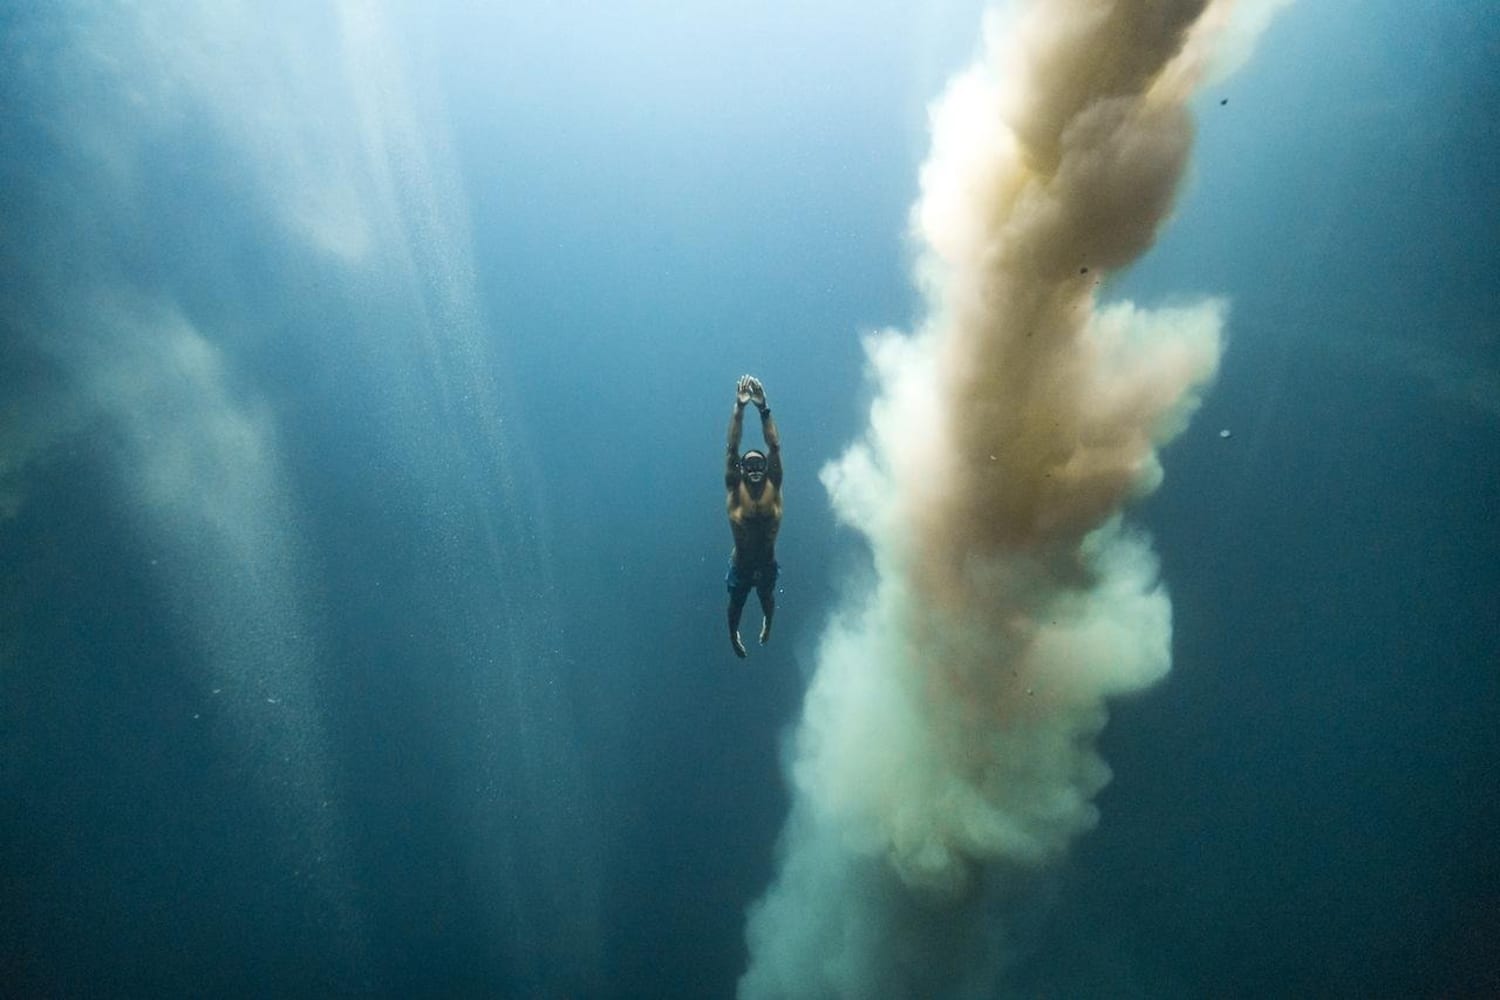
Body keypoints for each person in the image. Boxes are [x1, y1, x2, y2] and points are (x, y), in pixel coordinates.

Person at [725, 374, 782, 658]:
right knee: (736, 601)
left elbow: (774, 447)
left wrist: (763, 408)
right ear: (741, 470)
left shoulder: (774, 486)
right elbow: (732, 449)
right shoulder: (735, 490)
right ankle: (734, 635)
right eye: (750, 464)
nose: (757, 466)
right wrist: (739, 408)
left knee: (766, 597)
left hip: (767, 562)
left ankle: (768, 623)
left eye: (760, 462)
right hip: (742, 563)